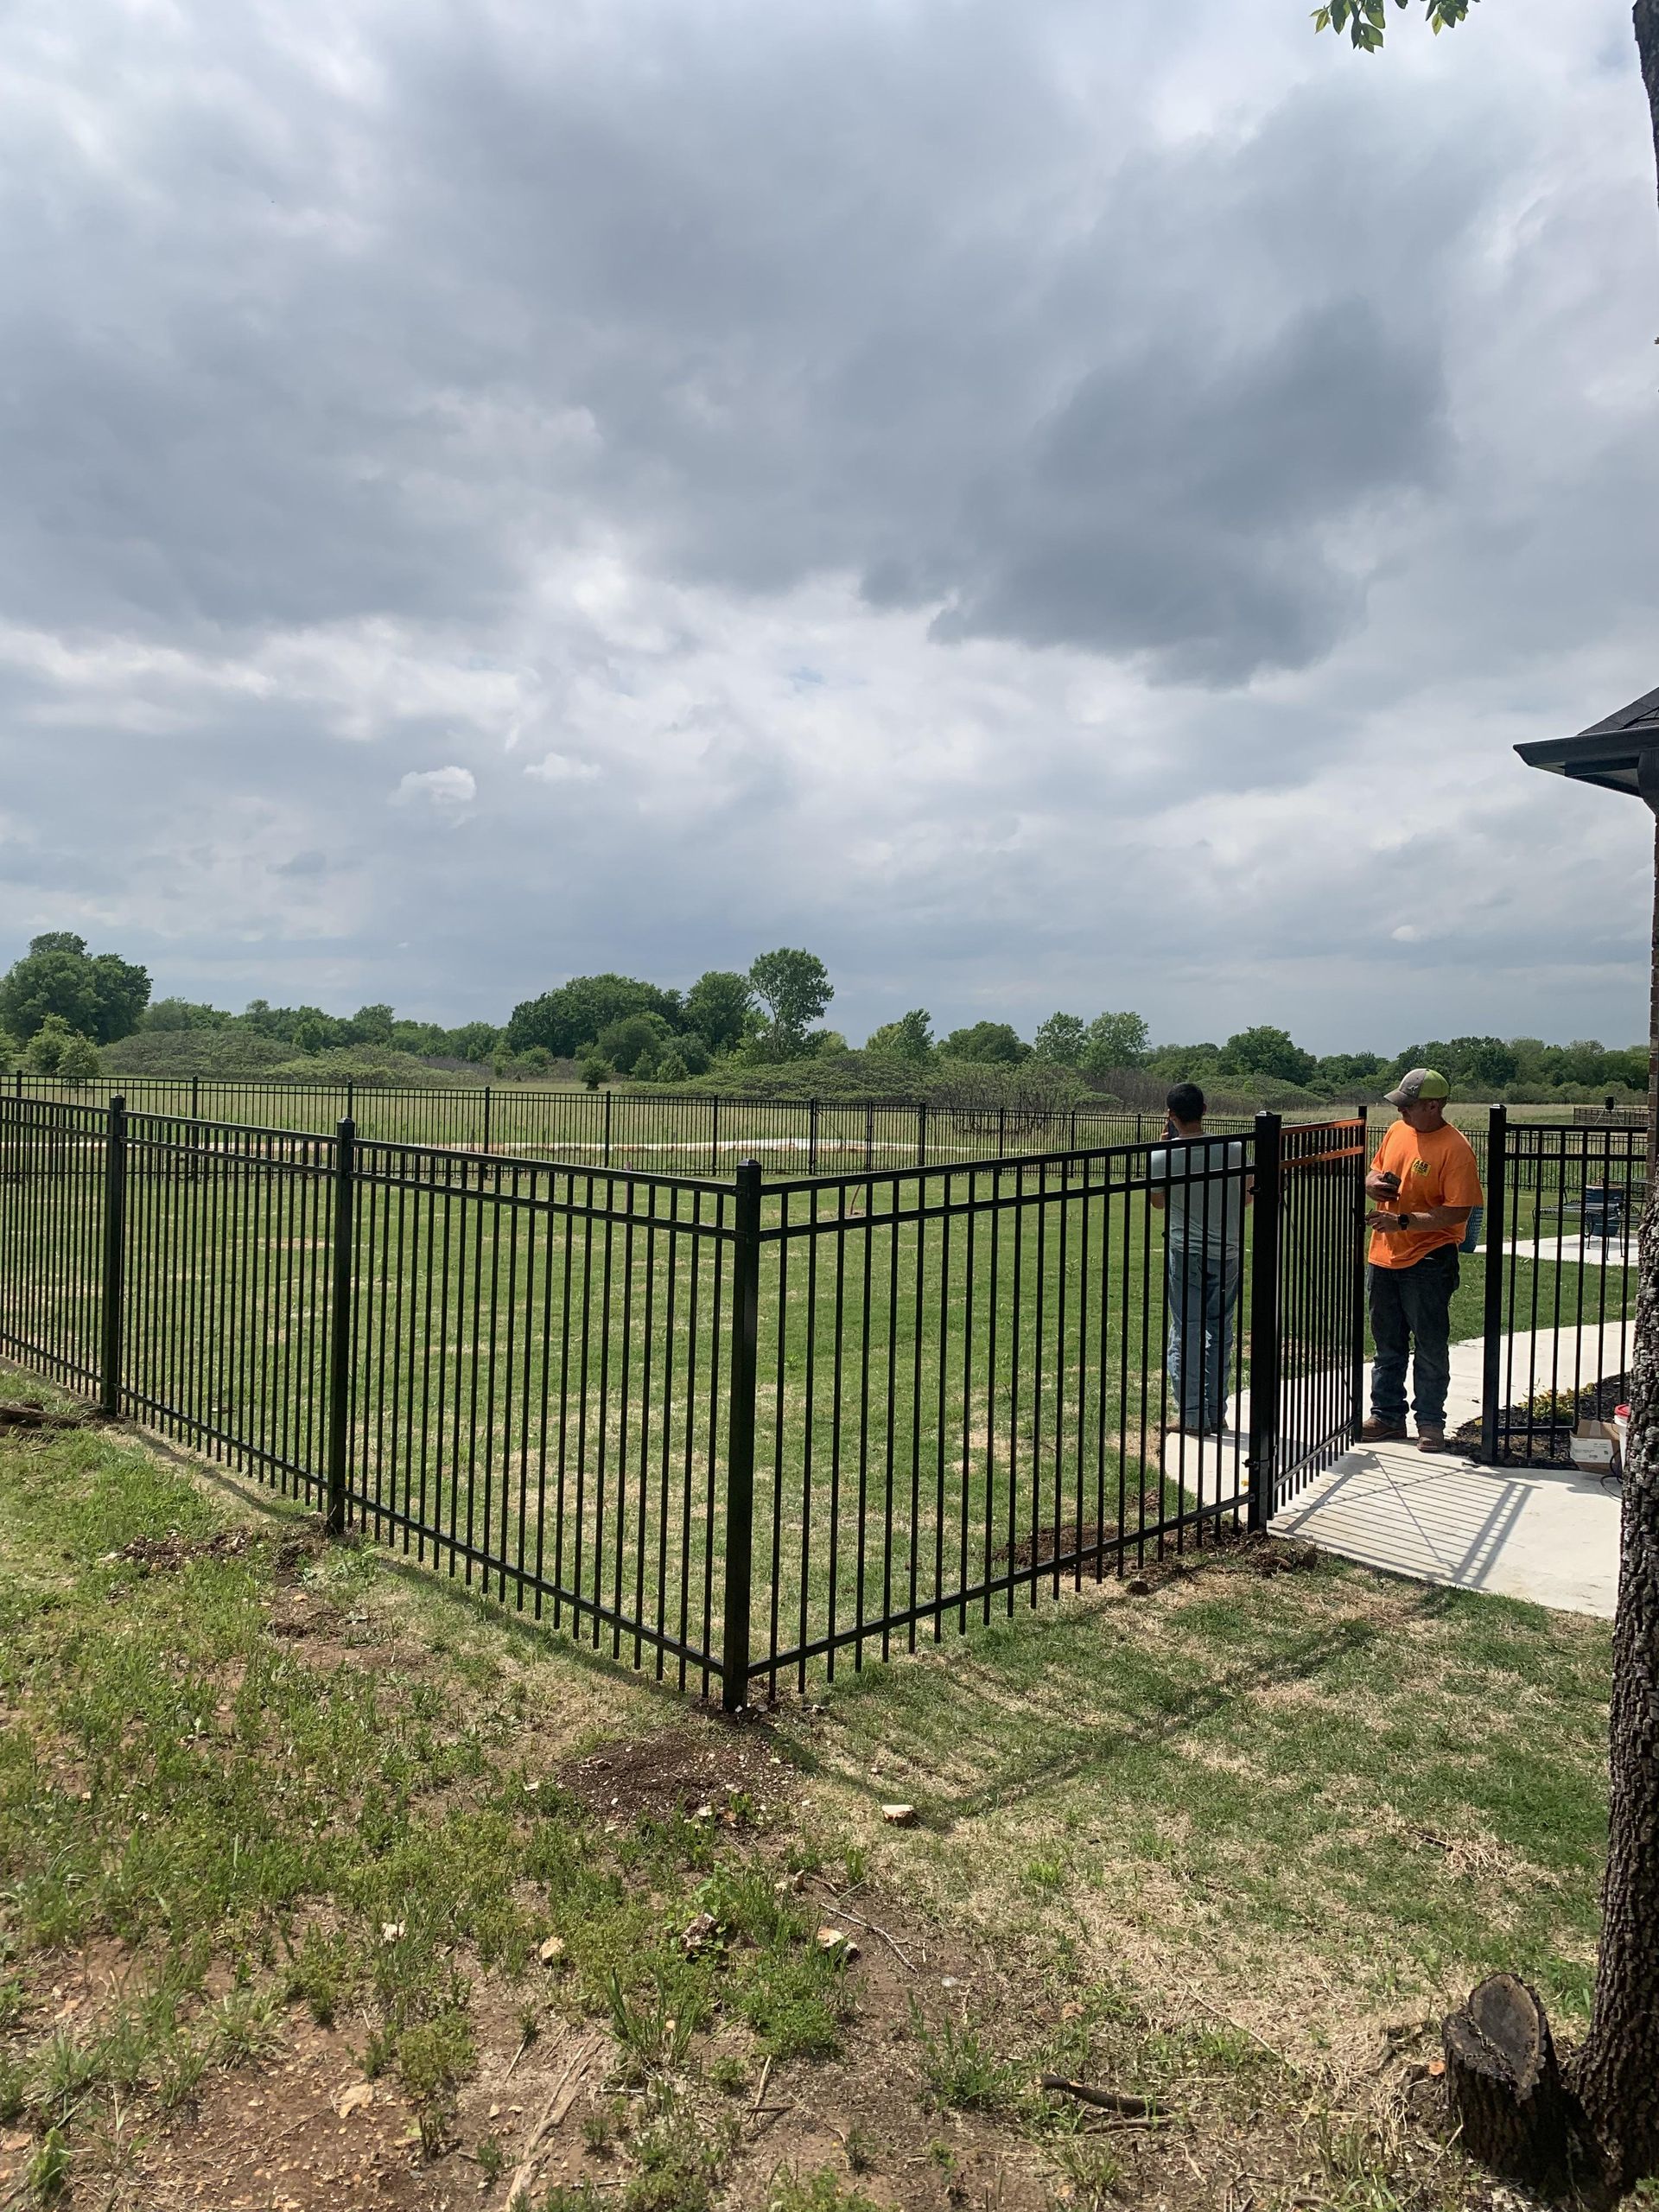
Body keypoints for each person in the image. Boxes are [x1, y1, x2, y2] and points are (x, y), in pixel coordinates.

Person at [1363, 1068, 1483, 1452]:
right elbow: (1374, 1170)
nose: (1402, 1114)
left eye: (1409, 1106)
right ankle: (1386, 1416)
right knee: (1387, 1342)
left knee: (1430, 1344)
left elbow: (1458, 1212)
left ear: (1433, 1105)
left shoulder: (1456, 1148)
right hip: (1383, 1255)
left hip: (1429, 1259)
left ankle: (1430, 1422)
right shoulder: (1398, 1132)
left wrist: (1403, 1221)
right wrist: (1372, 1184)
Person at [1148, 1084, 1251, 1435]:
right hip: (1228, 1251)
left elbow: (1158, 1202)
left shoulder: (1162, 1156)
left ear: (1171, 1115)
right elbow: (1248, 1196)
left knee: (1186, 1331)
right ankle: (1214, 1411)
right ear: (1205, 1109)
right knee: (1220, 1331)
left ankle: (1191, 1415)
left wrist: (1167, 1146)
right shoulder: (1234, 1150)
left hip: (1185, 1250)